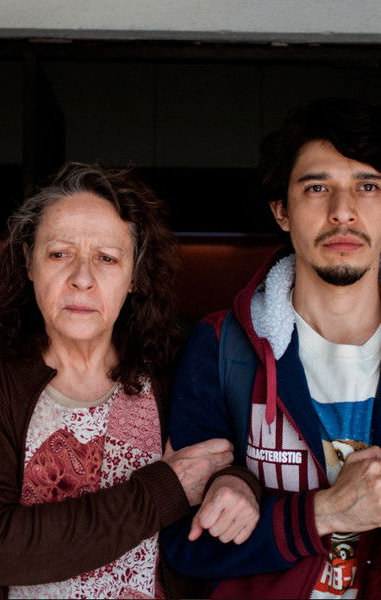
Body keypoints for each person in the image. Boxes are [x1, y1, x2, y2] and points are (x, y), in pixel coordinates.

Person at [0, 162, 260, 599]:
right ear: (29, 262)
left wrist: (238, 483)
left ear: (134, 276)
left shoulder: (171, 365)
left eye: (107, 259)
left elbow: (229, 464)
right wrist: (162, 491)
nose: (82, 279)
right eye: (59, 254)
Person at [162, 97, 381, 599]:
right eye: (317, 187)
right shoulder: (222, 346)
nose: (342, 210)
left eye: (368, 186)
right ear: (282, 211)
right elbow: (186, 545)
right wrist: (324, 512)